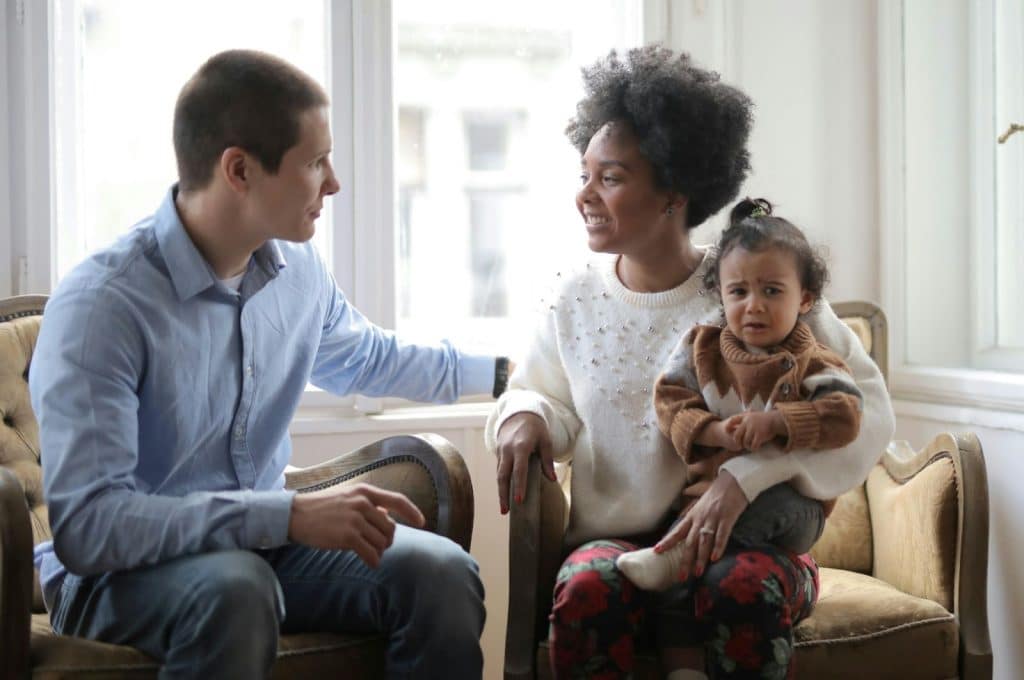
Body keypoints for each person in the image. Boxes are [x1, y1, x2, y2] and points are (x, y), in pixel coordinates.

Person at [31, 50, 505, 679]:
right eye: (314, 163)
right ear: (239, 169)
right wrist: (287, 514)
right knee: (236, 589)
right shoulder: (103, 306)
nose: (333, 183)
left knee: (441, 574)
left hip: (258, 549)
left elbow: (365, 357)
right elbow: (90, 528)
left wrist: (508, 375)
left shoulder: (298, 271)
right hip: (115, 577)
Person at [485, 46, 894, 679]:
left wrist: (746, 478)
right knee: (588, 590)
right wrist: (524, 417)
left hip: (747, 542)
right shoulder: (574, 297)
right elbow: (543, 397)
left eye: (611, 178)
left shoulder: (750, 283)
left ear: (674, 193)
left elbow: (864, 412)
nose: (583, 195)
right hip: (617, 540)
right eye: (584, 173)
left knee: (739, 588)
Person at [615, 197, 863, 678]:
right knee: (697, 538)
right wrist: (710, 429)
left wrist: (780, 423)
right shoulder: (703, 349)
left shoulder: (813, 359)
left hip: (794, 509)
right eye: (739, 292)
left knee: (693, 542)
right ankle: (684, 668)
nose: (754, 305)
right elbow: (668, 401)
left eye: (772, 291)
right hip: (707, 500)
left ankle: (678, 555)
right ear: (720, 296)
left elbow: (845, 414)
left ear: (805, 299)